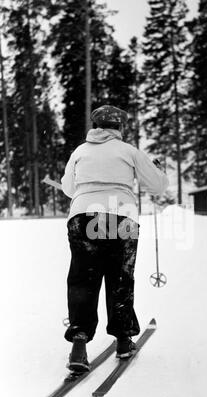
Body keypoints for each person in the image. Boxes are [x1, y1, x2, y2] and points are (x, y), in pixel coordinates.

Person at [61, 105, 168, 372]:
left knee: (83, 279)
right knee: (119, 276)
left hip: (84, 216)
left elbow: (68, 188)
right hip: (121, 215)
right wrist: (158, 169)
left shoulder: (80, 151)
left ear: (95, 125)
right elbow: (157, 185)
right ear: (120, 127)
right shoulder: (128, 151)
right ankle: (123, 339)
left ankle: (79, 340)